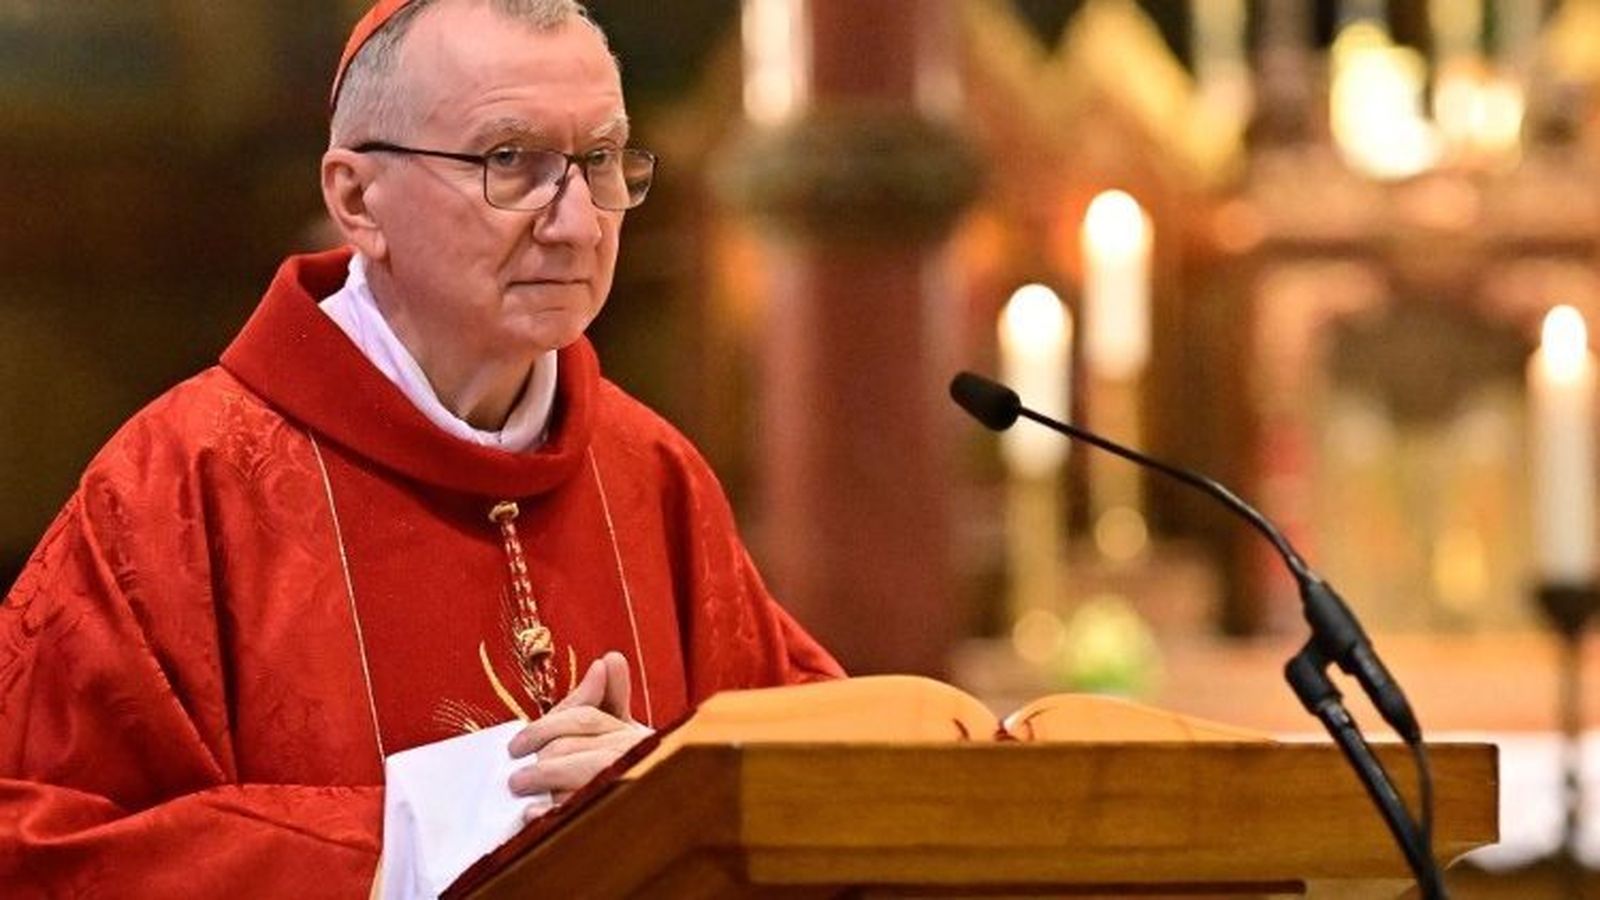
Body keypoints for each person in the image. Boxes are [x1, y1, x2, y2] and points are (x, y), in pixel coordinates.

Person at [0, 0, 842, 894]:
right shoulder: (179, 484)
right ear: (358, 199)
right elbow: (32, 842)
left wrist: (668, 796)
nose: (578, 225)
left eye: (599, 161)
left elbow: (824, 776)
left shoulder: (652, 472)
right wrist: (425, 825)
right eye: (510, 161)